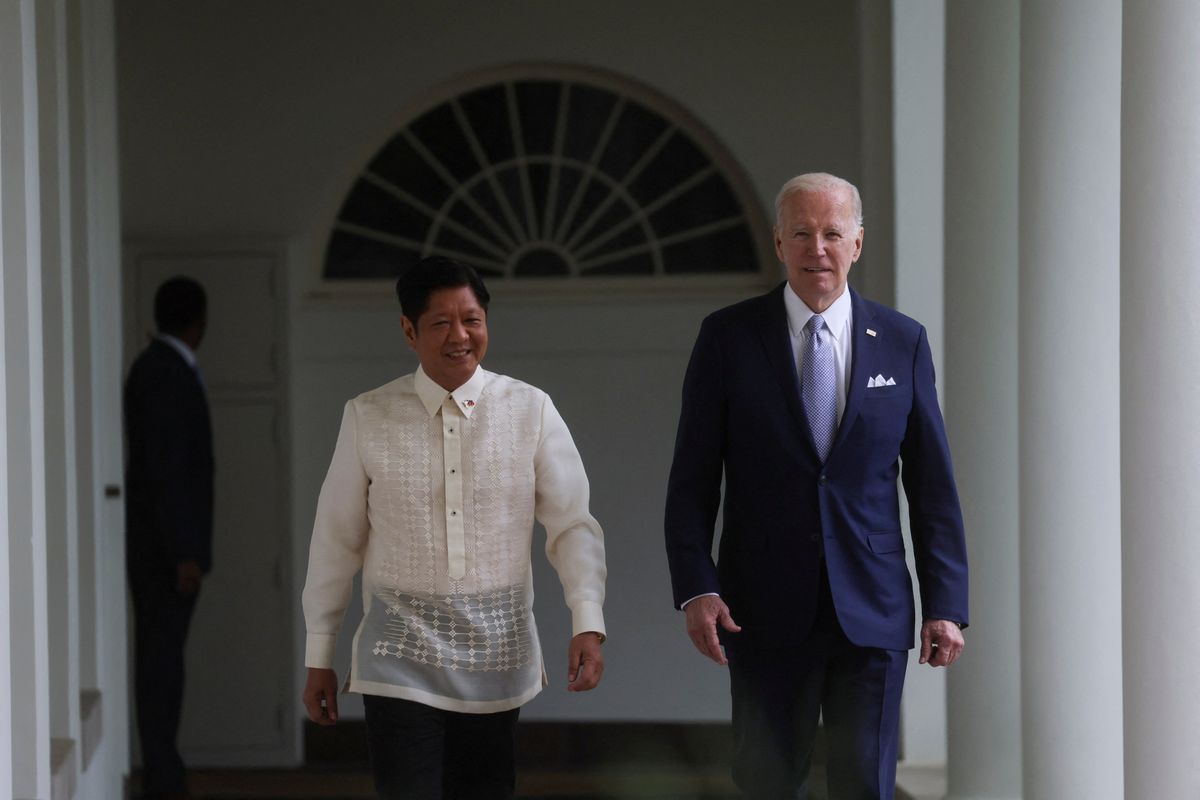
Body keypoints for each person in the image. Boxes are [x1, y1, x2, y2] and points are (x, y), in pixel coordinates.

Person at [664, 173, 969, 799]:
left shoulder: (904, 341)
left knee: (866, 783)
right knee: (768, 782)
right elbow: (693, 480)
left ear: (858, 243)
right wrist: (697, 586)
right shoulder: (727, 338)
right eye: (802, 233)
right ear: (779, 242)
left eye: (833, 233)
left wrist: (946, 602)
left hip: (876, 606)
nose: (818, 248)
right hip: (760, 609)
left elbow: (932, 484)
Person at [301, 256, 607, 800]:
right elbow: (335, 540)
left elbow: (571, 524)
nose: (459, 335)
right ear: (408, 330)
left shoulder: (530, 410)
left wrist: (587, 620)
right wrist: (318, 652)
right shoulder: (367, 415)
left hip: (497, 658)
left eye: (472, 319)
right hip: (397, 657)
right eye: (441, 322)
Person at [125, 276, 214, 800]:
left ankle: (164, 765)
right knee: (161, 663)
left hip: (162, 548)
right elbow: (168, 470)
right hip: (163, 553)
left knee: (164, 661)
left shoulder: (158, 368)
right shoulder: (164, 373)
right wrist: (184, 550)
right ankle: (162, 772)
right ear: (198, 320)